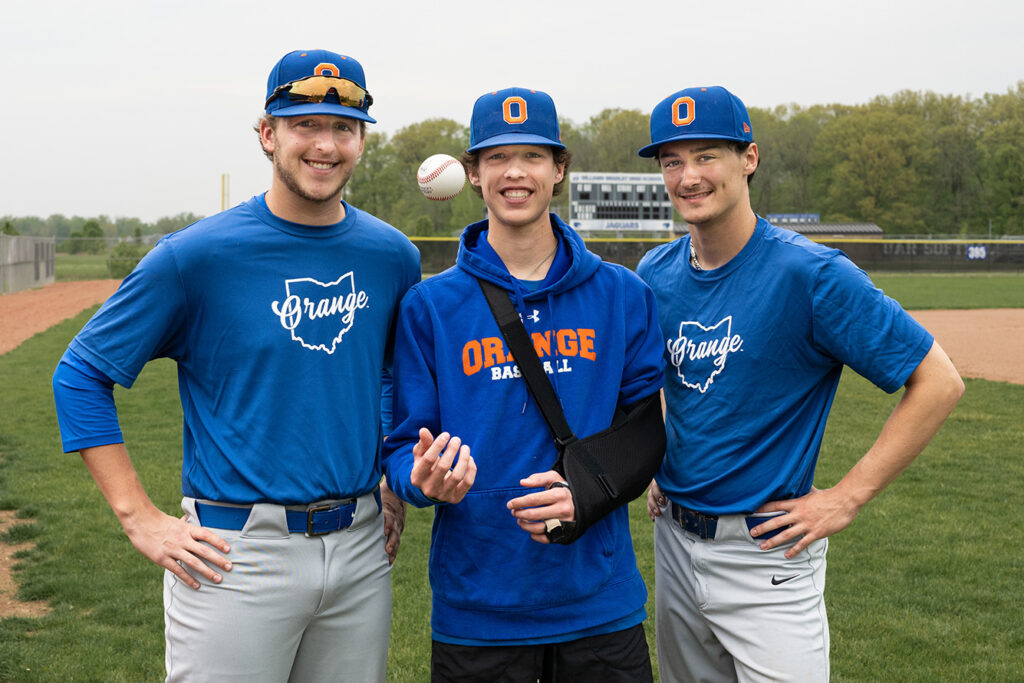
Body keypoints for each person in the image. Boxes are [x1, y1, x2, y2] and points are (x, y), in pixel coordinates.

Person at [51, 49, 420, 682]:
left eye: (344, 128)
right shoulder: (196, 256)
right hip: (235, 553)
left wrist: (389, 476)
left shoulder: (391, 255)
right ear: (268, 134)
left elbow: (389, 377)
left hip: (361, 546)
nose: (325, 145)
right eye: (305, 124)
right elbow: (80, 375)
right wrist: (139, 517)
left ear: (360, 141)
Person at [635, 85, 965, 682]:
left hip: (769, 553)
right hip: (675, 544)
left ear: (749, 159)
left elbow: (939, 381)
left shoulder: (812, 274)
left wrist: (847, 496)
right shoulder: (655, 273)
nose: (688, 176)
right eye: (672, 160)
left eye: (707, 155)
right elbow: (664, 385)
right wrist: (659, 461)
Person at [382, 87, 665, 682]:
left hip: (599, 604)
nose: (516, 172)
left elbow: (647, 429)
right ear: (474, 175)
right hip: (478, 609)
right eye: (496, 157)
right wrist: (424, 478)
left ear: (558, 171)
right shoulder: (430, 306)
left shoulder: (621, 294)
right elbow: (405, 446)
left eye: (534, 156)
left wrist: (586, 492)